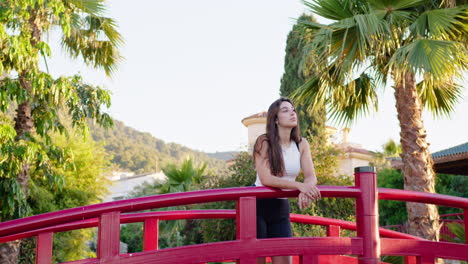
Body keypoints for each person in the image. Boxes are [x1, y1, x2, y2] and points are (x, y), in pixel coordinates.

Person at [253, 97, 321, 264]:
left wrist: (305, 189)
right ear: (275, 119)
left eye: (293, 110)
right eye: (285, 110)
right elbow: (266, 178)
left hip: (281, 206)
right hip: (257, 206)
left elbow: (311, 176)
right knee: (256, 260)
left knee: (285, 261)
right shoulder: (264, 141)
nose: (292, 113)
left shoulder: (301, 144)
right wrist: (299, 186)